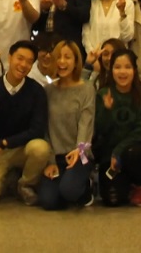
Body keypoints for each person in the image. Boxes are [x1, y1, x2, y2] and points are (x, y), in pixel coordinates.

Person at [0, 39, 50, 205]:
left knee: (41, 148)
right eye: (20, 58)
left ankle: (25, 184)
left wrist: (5, 142)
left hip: (22, 148)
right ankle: (9, 178)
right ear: (10, 57)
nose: (23, 65)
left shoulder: (36, 91)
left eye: (29, 62)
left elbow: (37, 130)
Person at [37, 38, 96, 209]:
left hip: (79, 155)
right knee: (48, 202)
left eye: (67, 57)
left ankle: (85, 186)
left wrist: (80, 150)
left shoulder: (87, 89)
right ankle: (66, 185)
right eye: (58, 57)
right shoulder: (48, 90)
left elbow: (86, 123)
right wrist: (50, 161)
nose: (62, 62)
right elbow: (45, 129)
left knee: (69, 191)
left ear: (76, 61)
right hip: (56, 157)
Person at [94, 48, 141, 207]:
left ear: (134, 70)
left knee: (133, 153)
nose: (122, 72)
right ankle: (126, 184)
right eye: (117, 67)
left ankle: (140, 184)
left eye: (127, 67)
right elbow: (100, 130)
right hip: (110, 156)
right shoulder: (104, 93)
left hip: (136, 151)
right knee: (113, 200)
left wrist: (119, 150)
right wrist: (107, 110)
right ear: (111, 70)